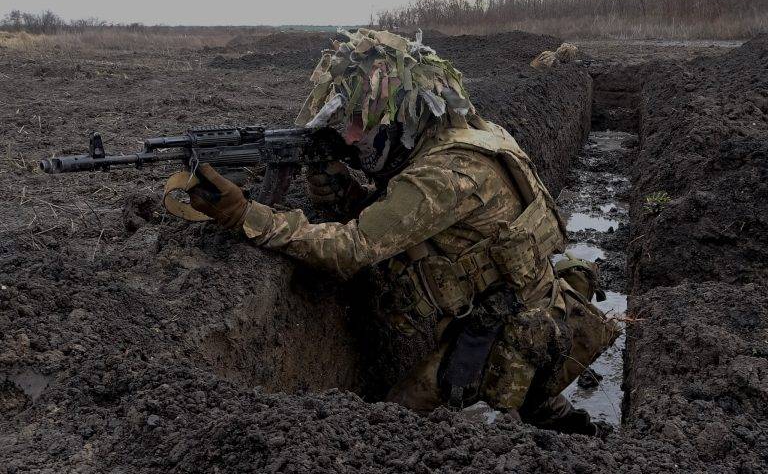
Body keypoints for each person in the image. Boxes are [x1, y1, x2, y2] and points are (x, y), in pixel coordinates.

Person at [181, 29, 618, 435]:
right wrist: (345, 188)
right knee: (532, 393)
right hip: (533, 305)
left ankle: (541, 413)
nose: (350, 136)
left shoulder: (441, 175)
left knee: (396, 424)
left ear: (404, 115)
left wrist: (245, 215)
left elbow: (352, 249)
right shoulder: (477, 136)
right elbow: (409, 224)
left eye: (362, 122)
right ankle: (555, 413)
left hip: (508, 331)